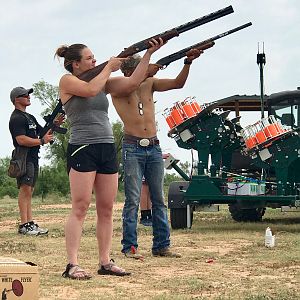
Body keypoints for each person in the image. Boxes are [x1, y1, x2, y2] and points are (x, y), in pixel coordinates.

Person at [55, 39, 164, 279]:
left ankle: (105, 261)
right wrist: (108, 67)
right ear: (75, 64)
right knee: (80, 207)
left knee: (106, 209)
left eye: (95, 58)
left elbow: (134, 82)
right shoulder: (68, 81)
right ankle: (72, 264)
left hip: (106, 147)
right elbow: (91, 90)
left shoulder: (101, 80)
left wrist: (148, 53)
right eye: (90, 58)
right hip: (83, 147)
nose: (95, 61)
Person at [111, 49, 203, 259]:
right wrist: (149, 64)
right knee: (133, 199)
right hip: (133, 146)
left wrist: (187, 63)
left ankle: (162, 245)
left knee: (159, 199)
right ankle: (130, 247)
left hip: (153, 146)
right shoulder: (119, 86)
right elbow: (132, 83)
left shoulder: (149, 83)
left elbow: (178, 83)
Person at [9, 86, 56, 236]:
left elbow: (43, 132)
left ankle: (30, 223)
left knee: (30, 190)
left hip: (33, 158)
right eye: (25, 95)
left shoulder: (29, 117)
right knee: (25, 189)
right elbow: (21, 139)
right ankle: (24, 225)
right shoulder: (16, 118)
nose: (28, 97)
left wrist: (55, 123)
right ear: (16, 99)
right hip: (23, 157)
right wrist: (42, 141)